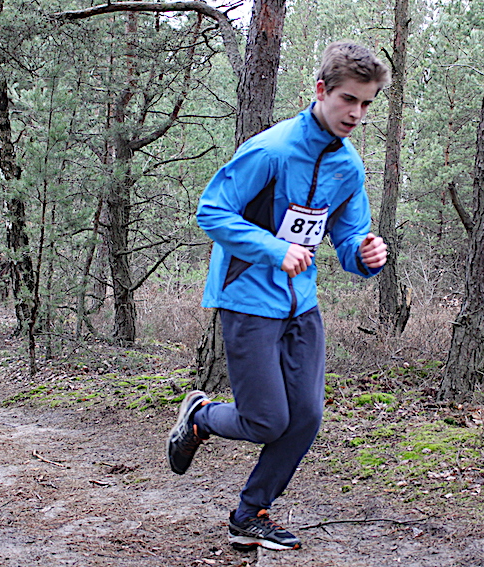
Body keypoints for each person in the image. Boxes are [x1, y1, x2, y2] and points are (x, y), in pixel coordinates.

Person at [167, 41, 391, 551]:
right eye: (348, 100)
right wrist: (274, 249)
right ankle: (199, 417)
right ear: (321, 90)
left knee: (306, 417)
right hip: (247, 299)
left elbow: (349, 237)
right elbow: (211, 211)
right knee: (267, 420)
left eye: (366, 104)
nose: (356, 113)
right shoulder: (271, 150)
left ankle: (250, 514)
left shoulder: (348, 167)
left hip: (301, 304)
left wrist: (365, 254)